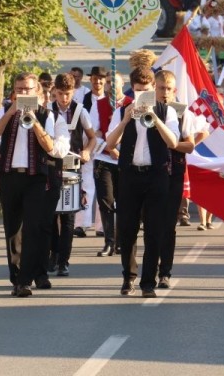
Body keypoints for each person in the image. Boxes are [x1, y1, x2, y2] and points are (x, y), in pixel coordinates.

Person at [0, 72, 69, 297]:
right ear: (14, 92)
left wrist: (33, 122)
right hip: (10, 176)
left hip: (36, 178)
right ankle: (16, 277)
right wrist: (11, 112)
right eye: (19, 89)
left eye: (28, 90)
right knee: (12, 230)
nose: (23, 93)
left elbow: (51, 147)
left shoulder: (47, 115)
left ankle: (25, 280)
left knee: (33, 228)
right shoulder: (4, 111)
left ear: (38, 94)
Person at [104, 67, 180, 298]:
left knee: (154, 230)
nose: (142, 96)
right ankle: (129, 277)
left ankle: (149, 281)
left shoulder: (167, 112)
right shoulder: (121, 112)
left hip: (156, 175)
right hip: (129, 174)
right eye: (138, 92)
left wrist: (155, 118)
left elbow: (173, 142)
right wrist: (125, 119)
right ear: (132, 90)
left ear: (153, 90)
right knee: (127, 229)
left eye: (147, 92)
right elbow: (109, 143)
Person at [156, 70, 208, 289]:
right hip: (148, 175)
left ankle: (164, 272)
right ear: (154, 88)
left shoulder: (181, 112)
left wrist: (174, 144)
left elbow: (190, 145)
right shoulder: (144, 108)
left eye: (169, 89)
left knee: (168, 225)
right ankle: (145, 271)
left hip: (172, 173)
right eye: (161, 88)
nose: (165, 93)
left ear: (174, 90)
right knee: (151, 225)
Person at [49, 72, 97, 276]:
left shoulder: (80, 111)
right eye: (60, 94)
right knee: (51, 214)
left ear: (73, 92)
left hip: (71, 164)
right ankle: (54, 253)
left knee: (68, 217)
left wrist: (87, 150)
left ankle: (64, 261)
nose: (64, 98)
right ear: (54, 92)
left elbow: (93, 137)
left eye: (67, 94)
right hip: (50, 165)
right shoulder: (47, 111)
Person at [83, 66, 119, 257]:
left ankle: (121, 240)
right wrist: (109, 148)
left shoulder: (129, 103)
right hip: (103, 157)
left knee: (123, 202)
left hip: (124, 160)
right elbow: (95, 132)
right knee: (105, 201)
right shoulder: (97, 103)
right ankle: (109, 241)